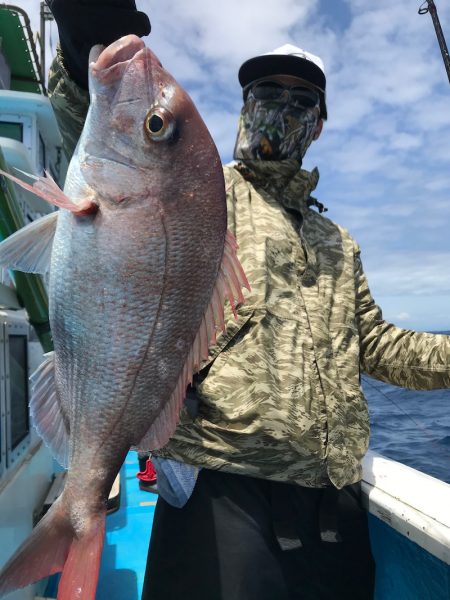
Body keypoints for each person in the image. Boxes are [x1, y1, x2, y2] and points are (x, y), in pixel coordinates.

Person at [45, 2, 450, 599]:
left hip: (332, 507)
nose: (280, 111)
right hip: (223, 496)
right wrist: (88, 46)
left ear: (317, 126)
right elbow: (108, 134)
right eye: (266, 93)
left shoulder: (338, 242)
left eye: (300, 102)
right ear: (243, 107)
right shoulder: (204, 190)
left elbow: (380, 346)